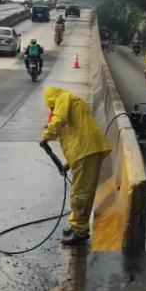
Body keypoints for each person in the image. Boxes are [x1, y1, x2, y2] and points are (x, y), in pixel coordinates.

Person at [40, 87, 111, 245]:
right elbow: (78, 133)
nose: (52, 109)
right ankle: (78, 226)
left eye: (51, 106)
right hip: (87, 151)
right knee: (83, 191)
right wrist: (68, 164)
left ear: (51, 99)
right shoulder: (71, 101)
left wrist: (46, 137)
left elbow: (59, 119)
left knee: (79, 192)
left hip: (86, 151)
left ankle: (79, 230)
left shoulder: (63, 98)